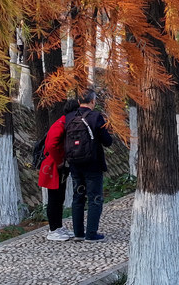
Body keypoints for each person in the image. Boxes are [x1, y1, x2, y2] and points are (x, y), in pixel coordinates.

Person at [66, 87, 113, 241]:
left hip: (75, 165)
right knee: (94, 198)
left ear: (79, 102)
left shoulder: (69, 117)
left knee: (78, 197)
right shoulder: (96, 117)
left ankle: (78, 233)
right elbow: (107, 141)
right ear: (93, 101)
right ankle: (91, 234)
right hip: (93, 165)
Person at [38, 98, 80, 241]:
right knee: (54, 198)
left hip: (57, 165)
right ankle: (53, 229)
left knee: (59, 197)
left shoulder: (64, 123)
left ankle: (58, 226)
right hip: (52, 166)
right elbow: (51, 145)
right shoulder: (60, 125)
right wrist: (60, 160)